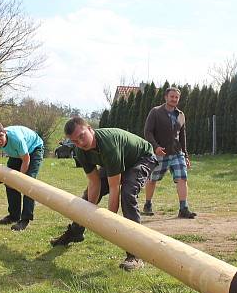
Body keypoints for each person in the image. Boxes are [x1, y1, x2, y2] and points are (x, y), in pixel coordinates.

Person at [50, 116, 158, 271]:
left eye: (82, 136)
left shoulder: (108, 145)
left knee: (127, 194)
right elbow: (94, 183)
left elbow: (115, 188)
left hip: (141, 158)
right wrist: (87, 213)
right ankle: (76, 232)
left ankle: (135, 254)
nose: (80, 142)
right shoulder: (81, 151)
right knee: (87, 197)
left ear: (90, 129)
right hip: (118, 160)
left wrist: (109, 222)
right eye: (74, 141)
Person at [142, 87, 196, 219]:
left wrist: (186, 155)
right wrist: (155, 147)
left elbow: (182, 136)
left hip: (177, 152)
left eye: (176, 97)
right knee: (153, 179)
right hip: (160, 153)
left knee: (182, 177)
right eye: (172, 96)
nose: (174, 99)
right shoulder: (155, 112)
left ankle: (183, 208)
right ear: (166, 97)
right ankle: (147, 204)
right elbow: (147, 132)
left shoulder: (181, 115)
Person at [0, 121, 44, 231]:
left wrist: (19, 179)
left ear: (4, 132)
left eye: (0, 136)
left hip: (33, 149)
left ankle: (25, 219)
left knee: (28, 183)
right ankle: (13, 216)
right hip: (16, 153)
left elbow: (26, 159)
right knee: (9, 181)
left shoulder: (16, 139)